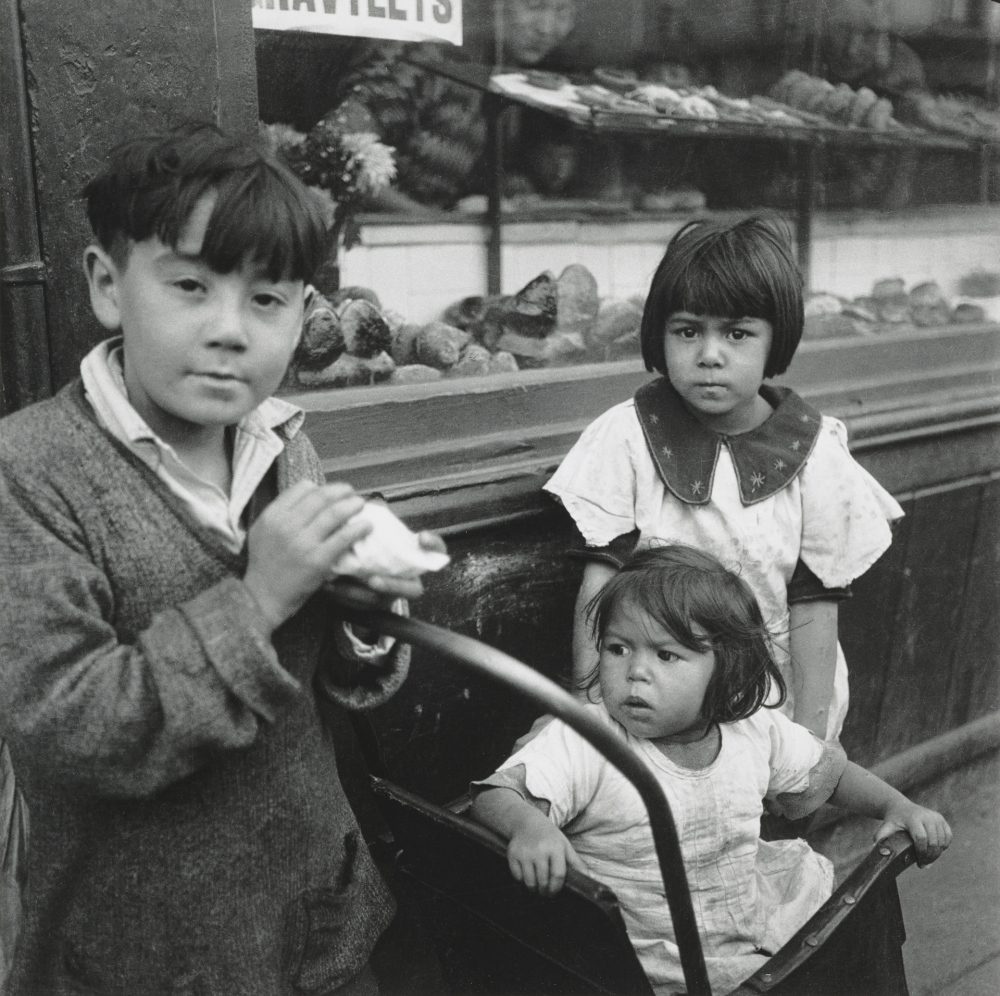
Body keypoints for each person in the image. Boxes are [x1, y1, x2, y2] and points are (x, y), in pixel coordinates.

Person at [0, 121, 446, 995]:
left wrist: (365, 611)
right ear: (107, 286)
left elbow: (332, 680)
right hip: (142, 953)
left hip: (317, 923)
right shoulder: (30, 470)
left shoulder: (279, 444)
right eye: (191, 287)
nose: (230, 331)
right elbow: (71, 730)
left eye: (267, 300)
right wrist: (259, 597)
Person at [471, 544, 952, 995]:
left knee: (850, 933)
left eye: (666, 655)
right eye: (618, 648)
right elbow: (495, 794)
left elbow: (829, 774)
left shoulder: (752, 732)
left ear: (725, 668)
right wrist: (531, 828)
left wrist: (896, 805)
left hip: (743, 917)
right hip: (648, 959)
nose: (635, 671)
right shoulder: (587, 739)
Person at [543, 215, 903, 743]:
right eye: (688, 331)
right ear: (659, 334)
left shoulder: (814, 453)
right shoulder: (628, 436)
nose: (710, 354)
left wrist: (807, 742)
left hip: (769, 708)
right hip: (648, 703)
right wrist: (592, 715)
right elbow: (598, 587)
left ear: (775, 339)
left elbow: (816, 606)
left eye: (737, 333)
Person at [302, 0, 580, 213]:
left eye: (564, 11)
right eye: (534, 5)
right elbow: (332, 147)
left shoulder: (503, 77)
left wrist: (518, 191)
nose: (547, 27)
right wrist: (429, 221)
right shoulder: (418, 58)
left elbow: (467, 177)